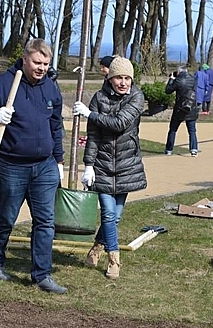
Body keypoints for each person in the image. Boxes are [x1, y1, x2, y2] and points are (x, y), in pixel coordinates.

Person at [0, 38, 67, 294]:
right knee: (6, 217)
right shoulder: (5, 84)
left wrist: (58, 160)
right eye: (37, 62)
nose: (42, 67)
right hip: (11, 165)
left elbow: (56, 126)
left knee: (46, 221)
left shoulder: (50, 88)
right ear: (25, 59)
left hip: (44, 166)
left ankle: (42, 274)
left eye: (46, 63)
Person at [73, 57, 147, 280]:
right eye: (119, 78)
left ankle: (96, 248)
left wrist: (90, 114)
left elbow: (119, 124)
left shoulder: (136, 96)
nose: (123, 82)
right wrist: (88, 166)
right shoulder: (99, 97)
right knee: (107, 213)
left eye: (127, 78)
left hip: (126, 165)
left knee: (114, 218)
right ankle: (114, 259)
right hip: (103, 165)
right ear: (110, 77)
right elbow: (94, 135)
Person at [164, 65, 198, 157]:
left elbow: (167, 90)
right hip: (191, 108)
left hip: (180, 109)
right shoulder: (193, 79)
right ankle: (194, 149)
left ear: (179, 72)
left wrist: (171, 79)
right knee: (192, 131)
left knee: (173, 130)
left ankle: (169, 149)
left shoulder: (178, 80)